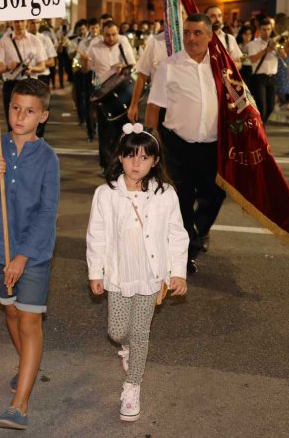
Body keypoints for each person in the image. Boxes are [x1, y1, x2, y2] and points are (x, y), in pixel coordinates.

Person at [0, 79, 60, 431]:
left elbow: (47, 211)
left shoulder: (48, 157)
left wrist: (23, 256)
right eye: (14, 108)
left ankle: (19, 403)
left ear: (43, 116)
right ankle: (28, 365)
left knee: (29, 320)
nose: (20, 116)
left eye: (29, 110)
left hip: (34, 252)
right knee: (10, 311)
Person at [86, 122, 188, 422]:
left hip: (150, 276)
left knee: (141, 332)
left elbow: (176, 234)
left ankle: (132, 385)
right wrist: (96, 272)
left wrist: (177, 272)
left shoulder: (165, 193)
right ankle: (128, 348)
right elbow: (97, 235)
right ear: (120, 157)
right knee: (117, 332)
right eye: (130, 156)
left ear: (155, 161)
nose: (136, 163)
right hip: (117, 275)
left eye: (144, 158)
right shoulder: (105, 194)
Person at [146, 13, 226, 275]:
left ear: (210, 36)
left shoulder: (221, 67)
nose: (191, 38)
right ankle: (188, 251)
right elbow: (154, 107)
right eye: (188, 33)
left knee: (215, 195)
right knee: (181, 200)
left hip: (212, 147)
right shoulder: (169, 66)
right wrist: (150, 142)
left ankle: (197, 232)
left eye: (198, 33)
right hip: (176, 145)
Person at [86, 20, 136, 171]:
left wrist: (123, 67)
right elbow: (87, 68)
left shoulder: (123, 42)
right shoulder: (94, 46)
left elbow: (132, 64)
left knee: (124, 129)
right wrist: (83, 62)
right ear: (102, 34)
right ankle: (107, 166)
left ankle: (123, 163)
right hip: (104, 93)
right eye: (107, 35)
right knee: (105, 131)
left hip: (122, 91)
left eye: (114, 34)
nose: (111, 38)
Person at [0, 20, 47, 131]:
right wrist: (8, 66)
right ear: (12, 23)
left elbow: (42, 66)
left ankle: (32, 146)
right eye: (16, 21)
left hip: (31, 84)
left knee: (34, 121)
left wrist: (32, 69)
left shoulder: (35, 40)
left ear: (26, 22)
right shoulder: (4, 41)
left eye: (22, 21)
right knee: (13, 122)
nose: (19, 24)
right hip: (12, 85)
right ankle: (15, 147)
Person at [244, 18, 279, 123]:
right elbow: (252, 59)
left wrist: (279, 47)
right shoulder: (252, 44)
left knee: (271, 106)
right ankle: (261, 128)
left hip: (272, 77)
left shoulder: (275, 43)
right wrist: (266, 50)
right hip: (259, 78)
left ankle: (261, 125)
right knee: (261, 106)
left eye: (269, 29)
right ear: (259, 30)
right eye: (264, 29)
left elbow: (284, 55)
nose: (267, 32)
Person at [128, 31, 167, 124]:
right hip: (158, 105)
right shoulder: (155, 41)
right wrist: (133, 105)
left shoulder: (191, 41)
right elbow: (142, 74)